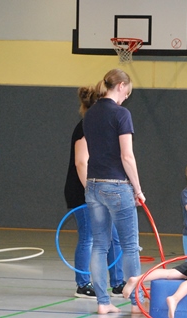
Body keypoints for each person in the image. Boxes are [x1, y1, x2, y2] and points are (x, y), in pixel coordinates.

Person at [82, 68, 144, 315]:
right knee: (129, 246)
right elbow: (127, 156)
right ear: (120, 86)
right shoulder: (121, 114)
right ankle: (136, 303)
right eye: (127, 92)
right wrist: (138, 189)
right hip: (116, 185)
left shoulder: (90, 113)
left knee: (99, 245)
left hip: (93, 185)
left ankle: (103, 302)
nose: (127, 97)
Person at [64, 85, 125, 299]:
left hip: (102, 191)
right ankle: (83, 284)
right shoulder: (85, 127)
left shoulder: (101, 126)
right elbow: (81, 162)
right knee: (89, 237)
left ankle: (118, 283)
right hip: (84, 192)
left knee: (114, 237)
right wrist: (92, 192)